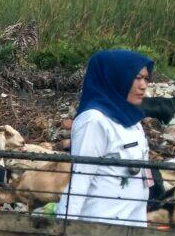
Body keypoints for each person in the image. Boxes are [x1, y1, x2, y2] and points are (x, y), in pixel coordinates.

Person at [58, 49, 153, 226]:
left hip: (131, 226)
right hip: (100, 229)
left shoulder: (132, 120)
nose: (143, 85)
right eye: (137, 78)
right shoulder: (94, 121)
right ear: (116, 78)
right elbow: (80, 180)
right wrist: (63, 232)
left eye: (146, 79)